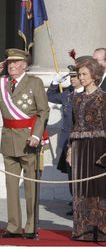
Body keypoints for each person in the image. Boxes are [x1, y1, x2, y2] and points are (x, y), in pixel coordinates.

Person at [0, 48, 49, 239]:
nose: (12, 66)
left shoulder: (34, 82)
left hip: (28, 140)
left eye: (16, 63)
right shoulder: (1, 83)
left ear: (25, 65)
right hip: (8, 139)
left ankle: (31, 226)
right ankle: (14, 227)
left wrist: (37, 135)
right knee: (11, 185)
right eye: (9, 63)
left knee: (31, 186)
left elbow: (43, 111)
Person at [66, 58, 106, 241]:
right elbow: (73, 127)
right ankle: (84, 230)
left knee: (98, 188)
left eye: (84, 74)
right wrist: (69, 150)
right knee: (81, 188)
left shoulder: (103, 98)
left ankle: (101, 230)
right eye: (79, 74)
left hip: (99, 147)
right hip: (79, 148)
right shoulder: (77, 98)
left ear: (94, 75)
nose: (80, 78)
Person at [47, 60, 87, 216]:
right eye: (71, 77)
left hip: (82, 140)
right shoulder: (67, 94)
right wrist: (55, 83)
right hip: (67, 140)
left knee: (82, 173)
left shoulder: (88, 94)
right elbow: (50, 96)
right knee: (71, 174)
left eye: (75, 77)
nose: (72, 80)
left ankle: (82, 201)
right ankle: (75, 201)